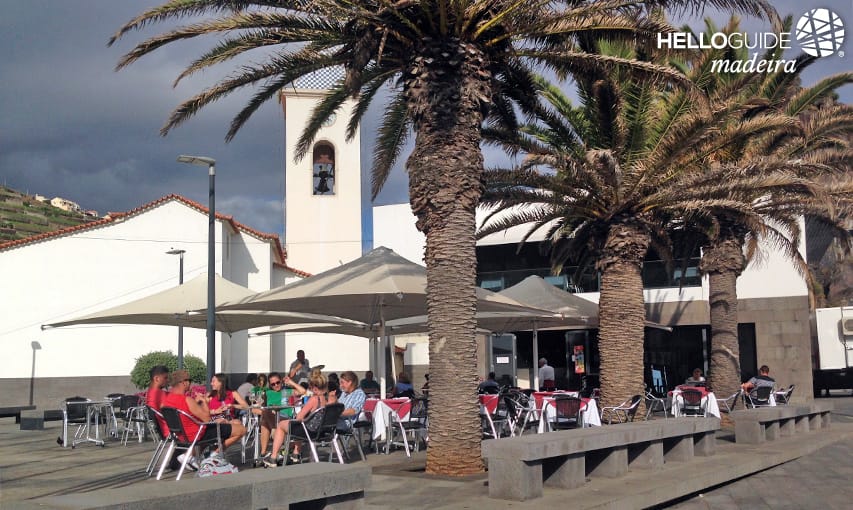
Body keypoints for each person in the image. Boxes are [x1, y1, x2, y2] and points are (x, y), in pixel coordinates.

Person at [162, 370, 245, 464]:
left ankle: (192, 455)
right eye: (190, 380)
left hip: (181, 436)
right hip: (198, 434)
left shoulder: (167, 400)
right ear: (184, 383)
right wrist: (204, 403)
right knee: (241, 429)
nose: (190, 383)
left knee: (225, 424)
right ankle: (213, 455)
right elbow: (207, 419)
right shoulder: (187, 400)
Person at [264, 371, 329, 467]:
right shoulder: (324, 399)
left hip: (309, 431)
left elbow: (299, 417)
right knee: (298, 424)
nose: (309, 389)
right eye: (273, 384)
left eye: (310, 387)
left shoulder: (314, 399)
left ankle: (273, 457)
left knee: (282, 425)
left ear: (313, 387)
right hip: (320, 430)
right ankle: (295, 453)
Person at [253, 372, 293, 458]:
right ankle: (264, 452)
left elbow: (303, 391)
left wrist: (291, 382)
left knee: (265, 419)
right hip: (271, 416)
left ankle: (263, 453)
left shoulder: (286, 391)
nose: (276, 385)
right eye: (273, 384)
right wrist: (261, 405)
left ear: (281, 381)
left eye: (278, 382)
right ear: (270, 385)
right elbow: (255, 408)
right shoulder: (268, 393)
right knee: (265, 417)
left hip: (284, 417)